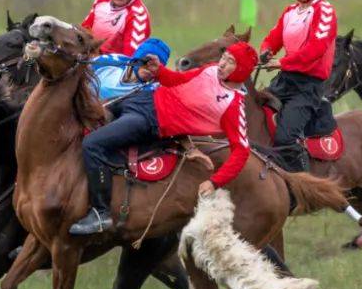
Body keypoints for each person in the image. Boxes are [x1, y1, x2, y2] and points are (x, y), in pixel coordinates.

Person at [69, 42, 258, 236]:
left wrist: (215, 182)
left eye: (230, 62)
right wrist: (158, 70)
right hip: (141, 98)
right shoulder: (210, 70)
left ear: (242, 69)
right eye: (224, 57)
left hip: (148, 121)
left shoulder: (233, 106)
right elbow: (177, 80)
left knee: (93, 144)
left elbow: (241, 151)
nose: (221, 64)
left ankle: (101, 213)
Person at [258, 0, 338, 173]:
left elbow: (316, 48)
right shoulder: (290, 11)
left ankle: (302, 184)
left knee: (285, 137)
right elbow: (272, 39)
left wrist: (282, 62)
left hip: (308, 87)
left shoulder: (325, 10)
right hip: (284, 81)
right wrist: (265, 51)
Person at [90, 37, 171, 104]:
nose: (150, 69)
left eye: (156, 66)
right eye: (147, 61)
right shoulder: (107, 62)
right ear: (136, 58)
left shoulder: (152, 91)